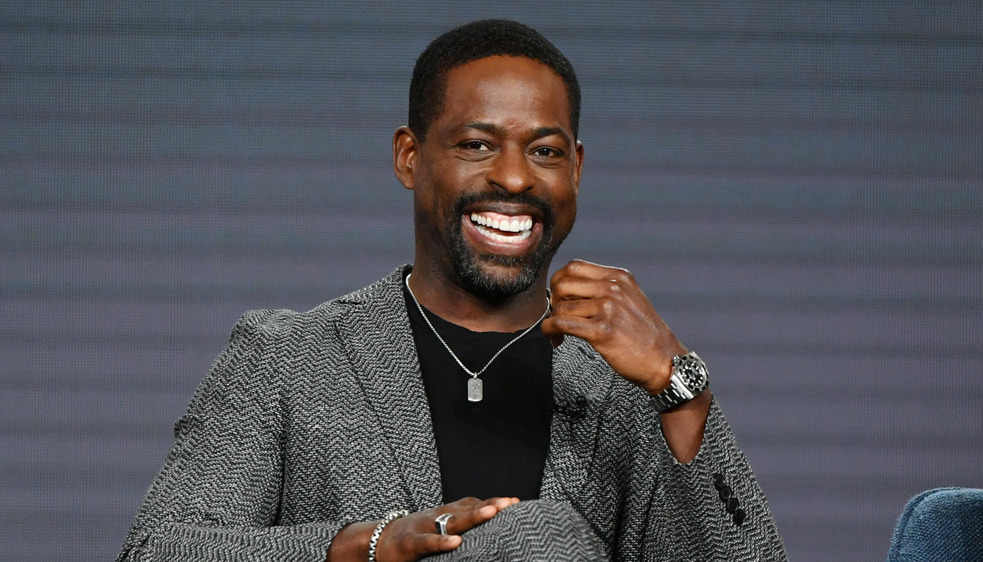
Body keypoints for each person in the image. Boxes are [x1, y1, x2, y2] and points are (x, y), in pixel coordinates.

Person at [118, 19, 787, 561]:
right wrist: (362, 547)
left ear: (577, 169)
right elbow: (158, 552)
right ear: (411, 157)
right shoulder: (289, 358)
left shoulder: (629, 385)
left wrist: (680, 388)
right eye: (477, 144)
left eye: (546, 151)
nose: (517, 178)